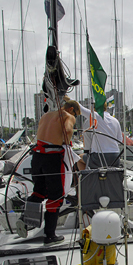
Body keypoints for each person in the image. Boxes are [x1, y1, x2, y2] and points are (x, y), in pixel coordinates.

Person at [20, 100, 80, 245]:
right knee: (56, 196)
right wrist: (68, 141)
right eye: (76, 114)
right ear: (71, 109)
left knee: (39, 192)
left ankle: (24, 220)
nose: (75, 117)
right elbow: (67, 130)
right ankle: (50, 235)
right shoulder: (67, 116)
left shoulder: (45, 116)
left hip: (37, 156)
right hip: (52, 158)